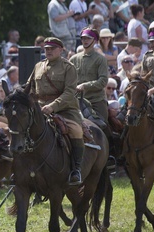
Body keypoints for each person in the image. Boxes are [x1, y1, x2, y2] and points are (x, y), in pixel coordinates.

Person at [28, 37, 84, 185]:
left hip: (65, 109)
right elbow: (29, 87)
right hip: (40, 110)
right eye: (46, 48)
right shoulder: (38, 66)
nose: (49, 51)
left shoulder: (68, 67)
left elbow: (70, 92)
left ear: (61, 50)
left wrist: (53, 106)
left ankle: (76, 169)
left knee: (76, 131)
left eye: (52, 48)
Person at [69, 27, 109, 124]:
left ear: (94, 41)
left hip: (96, 101)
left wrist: (84, 86)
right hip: (76, 101)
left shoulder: (100, 59)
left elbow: (103, 81)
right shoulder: (73, 59)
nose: (85, 41)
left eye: (88, 38)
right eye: (83, 38)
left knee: (103, 127)